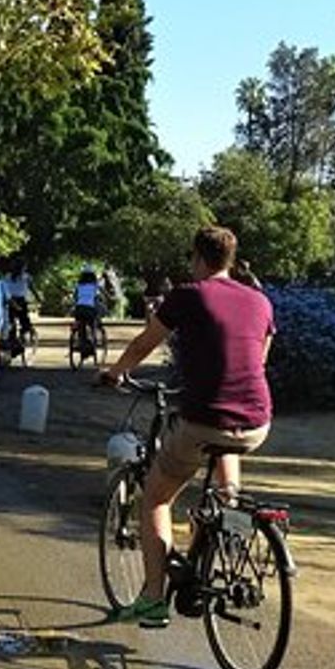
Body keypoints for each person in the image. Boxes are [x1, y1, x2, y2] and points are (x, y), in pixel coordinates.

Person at [96, 225, 274, 629]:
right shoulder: (259, 300)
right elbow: (259, 358)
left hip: (206, 418)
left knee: (156, 497)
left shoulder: (189, 294)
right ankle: (224, 522)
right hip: (257, 420)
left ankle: (153, 599)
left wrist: (114, 373)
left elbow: (144, 344)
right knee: (226, 449)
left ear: (198, 257)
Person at [0, 259, 35, 352]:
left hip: (15, 300)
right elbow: (32, 288)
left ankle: (18, 337)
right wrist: (37, 297)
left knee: (17, 321)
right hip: (15, 300)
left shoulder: (10, 277)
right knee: (19, 321)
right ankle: (17, 337)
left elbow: (31, 287)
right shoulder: (24, 277)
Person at [73, 268, 106, 351]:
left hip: (79, 309)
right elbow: (100, 297)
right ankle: (94, 340)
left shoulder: (78, 286)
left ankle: (80, 341)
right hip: (90, 310)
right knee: (93, 322)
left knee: (80, 324)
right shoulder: (95, 286)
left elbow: (75, 297)